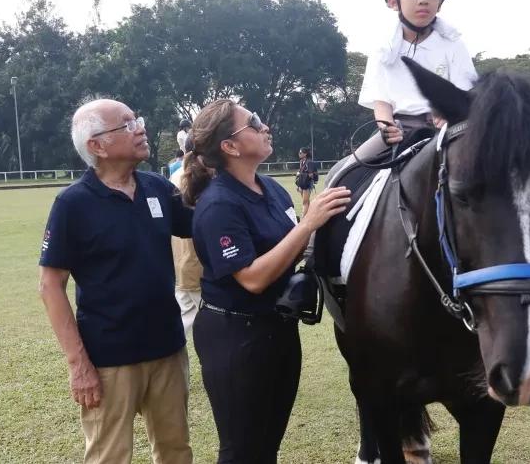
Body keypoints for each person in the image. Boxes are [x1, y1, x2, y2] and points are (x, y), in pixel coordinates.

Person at [182, 99, 350, 463]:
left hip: (279, 331)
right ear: (230, 146)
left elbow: (291, 250)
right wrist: (308, 223)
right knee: (241, 450)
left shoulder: (271, 189)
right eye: (254, 122)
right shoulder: (219, 204)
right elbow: (253, 278)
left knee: (267, 445)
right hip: (235, 338)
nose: (264, 127)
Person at [38, 99, 194, 464]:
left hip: (167, 350)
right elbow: (50, 285)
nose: (140, 128)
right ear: (97, 145)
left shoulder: (158, 188)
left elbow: (203, 224)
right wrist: (78, 365)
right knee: (109, 456)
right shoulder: (72, 204)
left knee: (176, 451)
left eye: (136, 119)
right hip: (109, 359)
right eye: (126, 124)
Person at [348, 0, 478, 171]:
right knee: (343, 172)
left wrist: (449, 114)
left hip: (447, 128)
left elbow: (465, 94)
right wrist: (386, 127)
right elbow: (381, 102)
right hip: (400, 129)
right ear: (393, 1)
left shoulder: (453, 43)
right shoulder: (383, 48)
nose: (423, 0)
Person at [170, 135, 203, 333]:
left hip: (180, 265)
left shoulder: (175, 175)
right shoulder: (198, 178)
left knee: (183, 323)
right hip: (196, 266)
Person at [295, 147, 319, 217]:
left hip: (307, 184)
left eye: (300, 153)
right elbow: (301, 171)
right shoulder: (301, 162)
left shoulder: (309, 162)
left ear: (305, 154)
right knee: (306, 201)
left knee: (304, 202)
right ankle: (309, 216)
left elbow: (311, 174)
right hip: (302, 183)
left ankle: (303, 218)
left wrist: (300, 174)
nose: (299, 154)